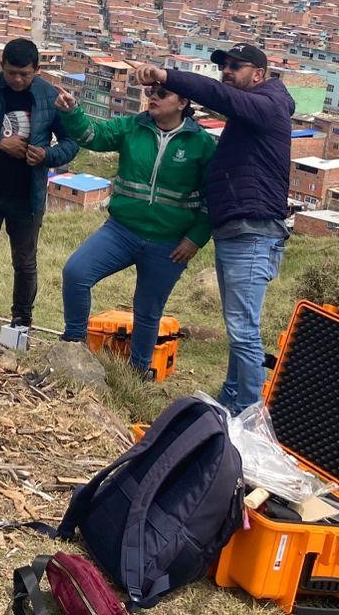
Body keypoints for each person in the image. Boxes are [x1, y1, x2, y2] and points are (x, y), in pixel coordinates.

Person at [133, 45, 294, 412]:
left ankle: (250, 415)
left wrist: (166, 76)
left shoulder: (268, 105)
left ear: (260, 74)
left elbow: (220, 96)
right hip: (237, 230)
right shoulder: (253, 111)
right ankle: (232, 400)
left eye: (236, 66)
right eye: (223, 66)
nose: (227, 71)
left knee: (243, 330)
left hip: (253, 231)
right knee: (238, 328)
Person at [53, 83, 216, 376]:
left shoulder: (202, 144)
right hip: (121, 231)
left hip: (170, 244)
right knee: (76, 273)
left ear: (182, 102)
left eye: (162, 93)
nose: (153, 97)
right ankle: (74, 344)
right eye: (151, 91)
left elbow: (212, 199)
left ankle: (138, 374)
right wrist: (72, 112)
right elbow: (93, 136)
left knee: (148, 310)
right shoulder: (132, 127)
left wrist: (196, 239)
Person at [0, 38, 80, 330]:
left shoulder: (49, 96)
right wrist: (0, 144)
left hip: (28, 195)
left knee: (24, 263)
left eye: (25, 73)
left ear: (36, 69)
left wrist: (47, 156)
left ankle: (22, 320)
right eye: (12, 72)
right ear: (2, 67)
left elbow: (72, 142)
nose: (18, 79)